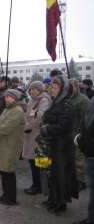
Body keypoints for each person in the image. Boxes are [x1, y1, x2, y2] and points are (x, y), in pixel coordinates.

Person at [39, 74, 79, 213]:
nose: (53, 90)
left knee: (62, 174)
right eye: (53, 87)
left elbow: (63, 125)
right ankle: (54, 197)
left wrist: (46, 129)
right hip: (55, 143)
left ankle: (61, 202)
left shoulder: (66, 104)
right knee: (54, 173)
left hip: (63, 144)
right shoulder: (56, 102)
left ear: (63, 90)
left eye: (56, 88)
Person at [0, 89, 27, 205]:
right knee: (3, 169)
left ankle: (11, 197)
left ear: (14, 98)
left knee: (9, 170)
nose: (5, 99)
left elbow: (8, 126)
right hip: (4, 143)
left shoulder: (17, 110)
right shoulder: (8, 109)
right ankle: (6, 194)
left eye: (8, 97)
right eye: (5, 97)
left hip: (11, 144)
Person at [22, 81, 51, 195]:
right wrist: (25, 124)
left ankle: (38, 185)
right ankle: (35, 184)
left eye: (34, 89)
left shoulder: (44, 100)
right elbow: (26, 115)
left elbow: (40, 117)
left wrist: (27, 126)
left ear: (40, 90)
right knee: (31, 160)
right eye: (31, 89)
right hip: (29, 132)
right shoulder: (31, 100)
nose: (32, 91)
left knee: (36, 160)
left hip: (37, 133)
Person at [73, 97, 94, 224]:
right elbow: (85, 120)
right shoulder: (92, 100)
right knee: (92, 187)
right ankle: (92, 217)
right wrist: (81, 137)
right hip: (89, 151)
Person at [69, 78, 89, 191]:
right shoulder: (68, 99)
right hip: (69, 131)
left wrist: (81, 133)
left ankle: (82, 180)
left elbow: (84, 118)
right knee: (71, 157)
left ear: (75, 87)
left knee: (78, 157)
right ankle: (74, 177)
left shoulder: (82, 100)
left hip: (77, 132)